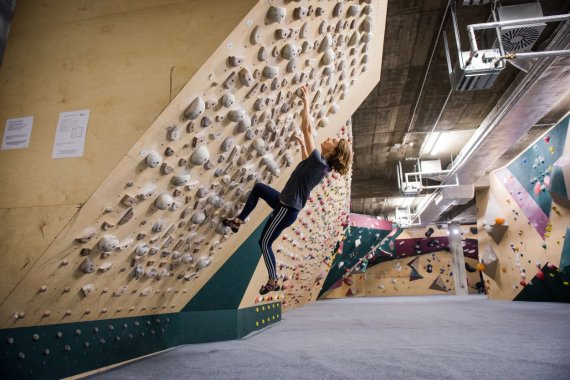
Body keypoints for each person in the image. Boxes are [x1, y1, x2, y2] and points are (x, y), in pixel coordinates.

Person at [223, 85, 352, 295]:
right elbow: (304, 163)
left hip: (286, 208)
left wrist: (306, 100)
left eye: (334, 141)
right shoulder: (319, 165)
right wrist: (302, 145)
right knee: (258, 188)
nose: (330, 138)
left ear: (334, 151)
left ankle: (273, 280)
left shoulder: (320, 163)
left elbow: (308, 128)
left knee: (264, 243)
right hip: (284, 202)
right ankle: (238, 221)